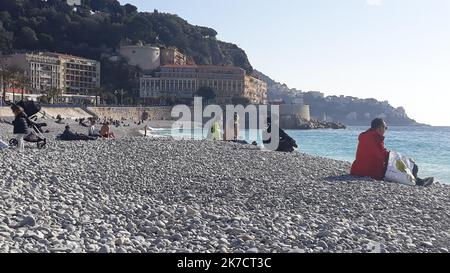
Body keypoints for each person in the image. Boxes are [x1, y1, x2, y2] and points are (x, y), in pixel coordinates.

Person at [351, 118, 434, 187]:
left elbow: (378, 153)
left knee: (400, 166)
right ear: (379, 128)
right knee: (408, 167)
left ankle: (418, 180)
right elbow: (382, 155)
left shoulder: (365, 135)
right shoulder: (374, 137)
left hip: (358, 169)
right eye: (385, 127)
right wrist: (400, 158)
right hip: (370, 171)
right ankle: (418, 182)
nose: (385, 130)